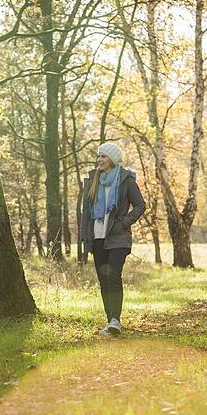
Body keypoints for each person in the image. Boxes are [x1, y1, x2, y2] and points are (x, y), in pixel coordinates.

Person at [81, 142, 146, 336]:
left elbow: (140, 206)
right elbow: (86, 213)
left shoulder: (126, 180)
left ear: (113, 159)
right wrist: (86, 238)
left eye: (103, 156)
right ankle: (110, 321)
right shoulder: (93, 180)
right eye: (98, 156)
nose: (99, 160)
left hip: (118, 237)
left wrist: (123, 223)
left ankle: (115, 320)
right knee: (103, 280)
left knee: (113, 275)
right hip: (97, 237)